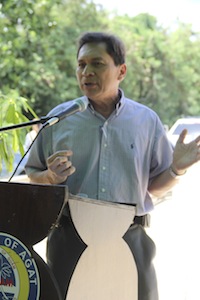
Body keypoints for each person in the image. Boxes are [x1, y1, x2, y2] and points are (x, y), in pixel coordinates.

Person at [25, 32, 200, 299]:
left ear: (121, 70)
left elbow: (154, 186)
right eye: (81, 64)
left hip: (131, 238)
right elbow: (32, 173)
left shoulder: (146, 121)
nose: (87, 72)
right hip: (71, 240)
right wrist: (49, 176)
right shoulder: (59, 118)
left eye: (97, 63)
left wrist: (176, 168)